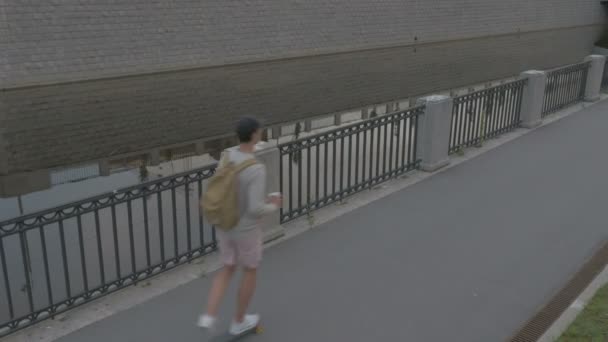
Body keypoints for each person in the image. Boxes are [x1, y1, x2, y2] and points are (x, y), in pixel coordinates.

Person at [198, 117, 282, 335]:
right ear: (254, 135)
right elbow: (255, 208)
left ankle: (209, 315)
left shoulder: (226, 156)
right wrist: (273, 206)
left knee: (227, 268)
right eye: (259, 132)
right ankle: (239, 321)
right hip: (245, 229)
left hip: (224, 223)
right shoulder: (255, 169)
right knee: (250, 270)